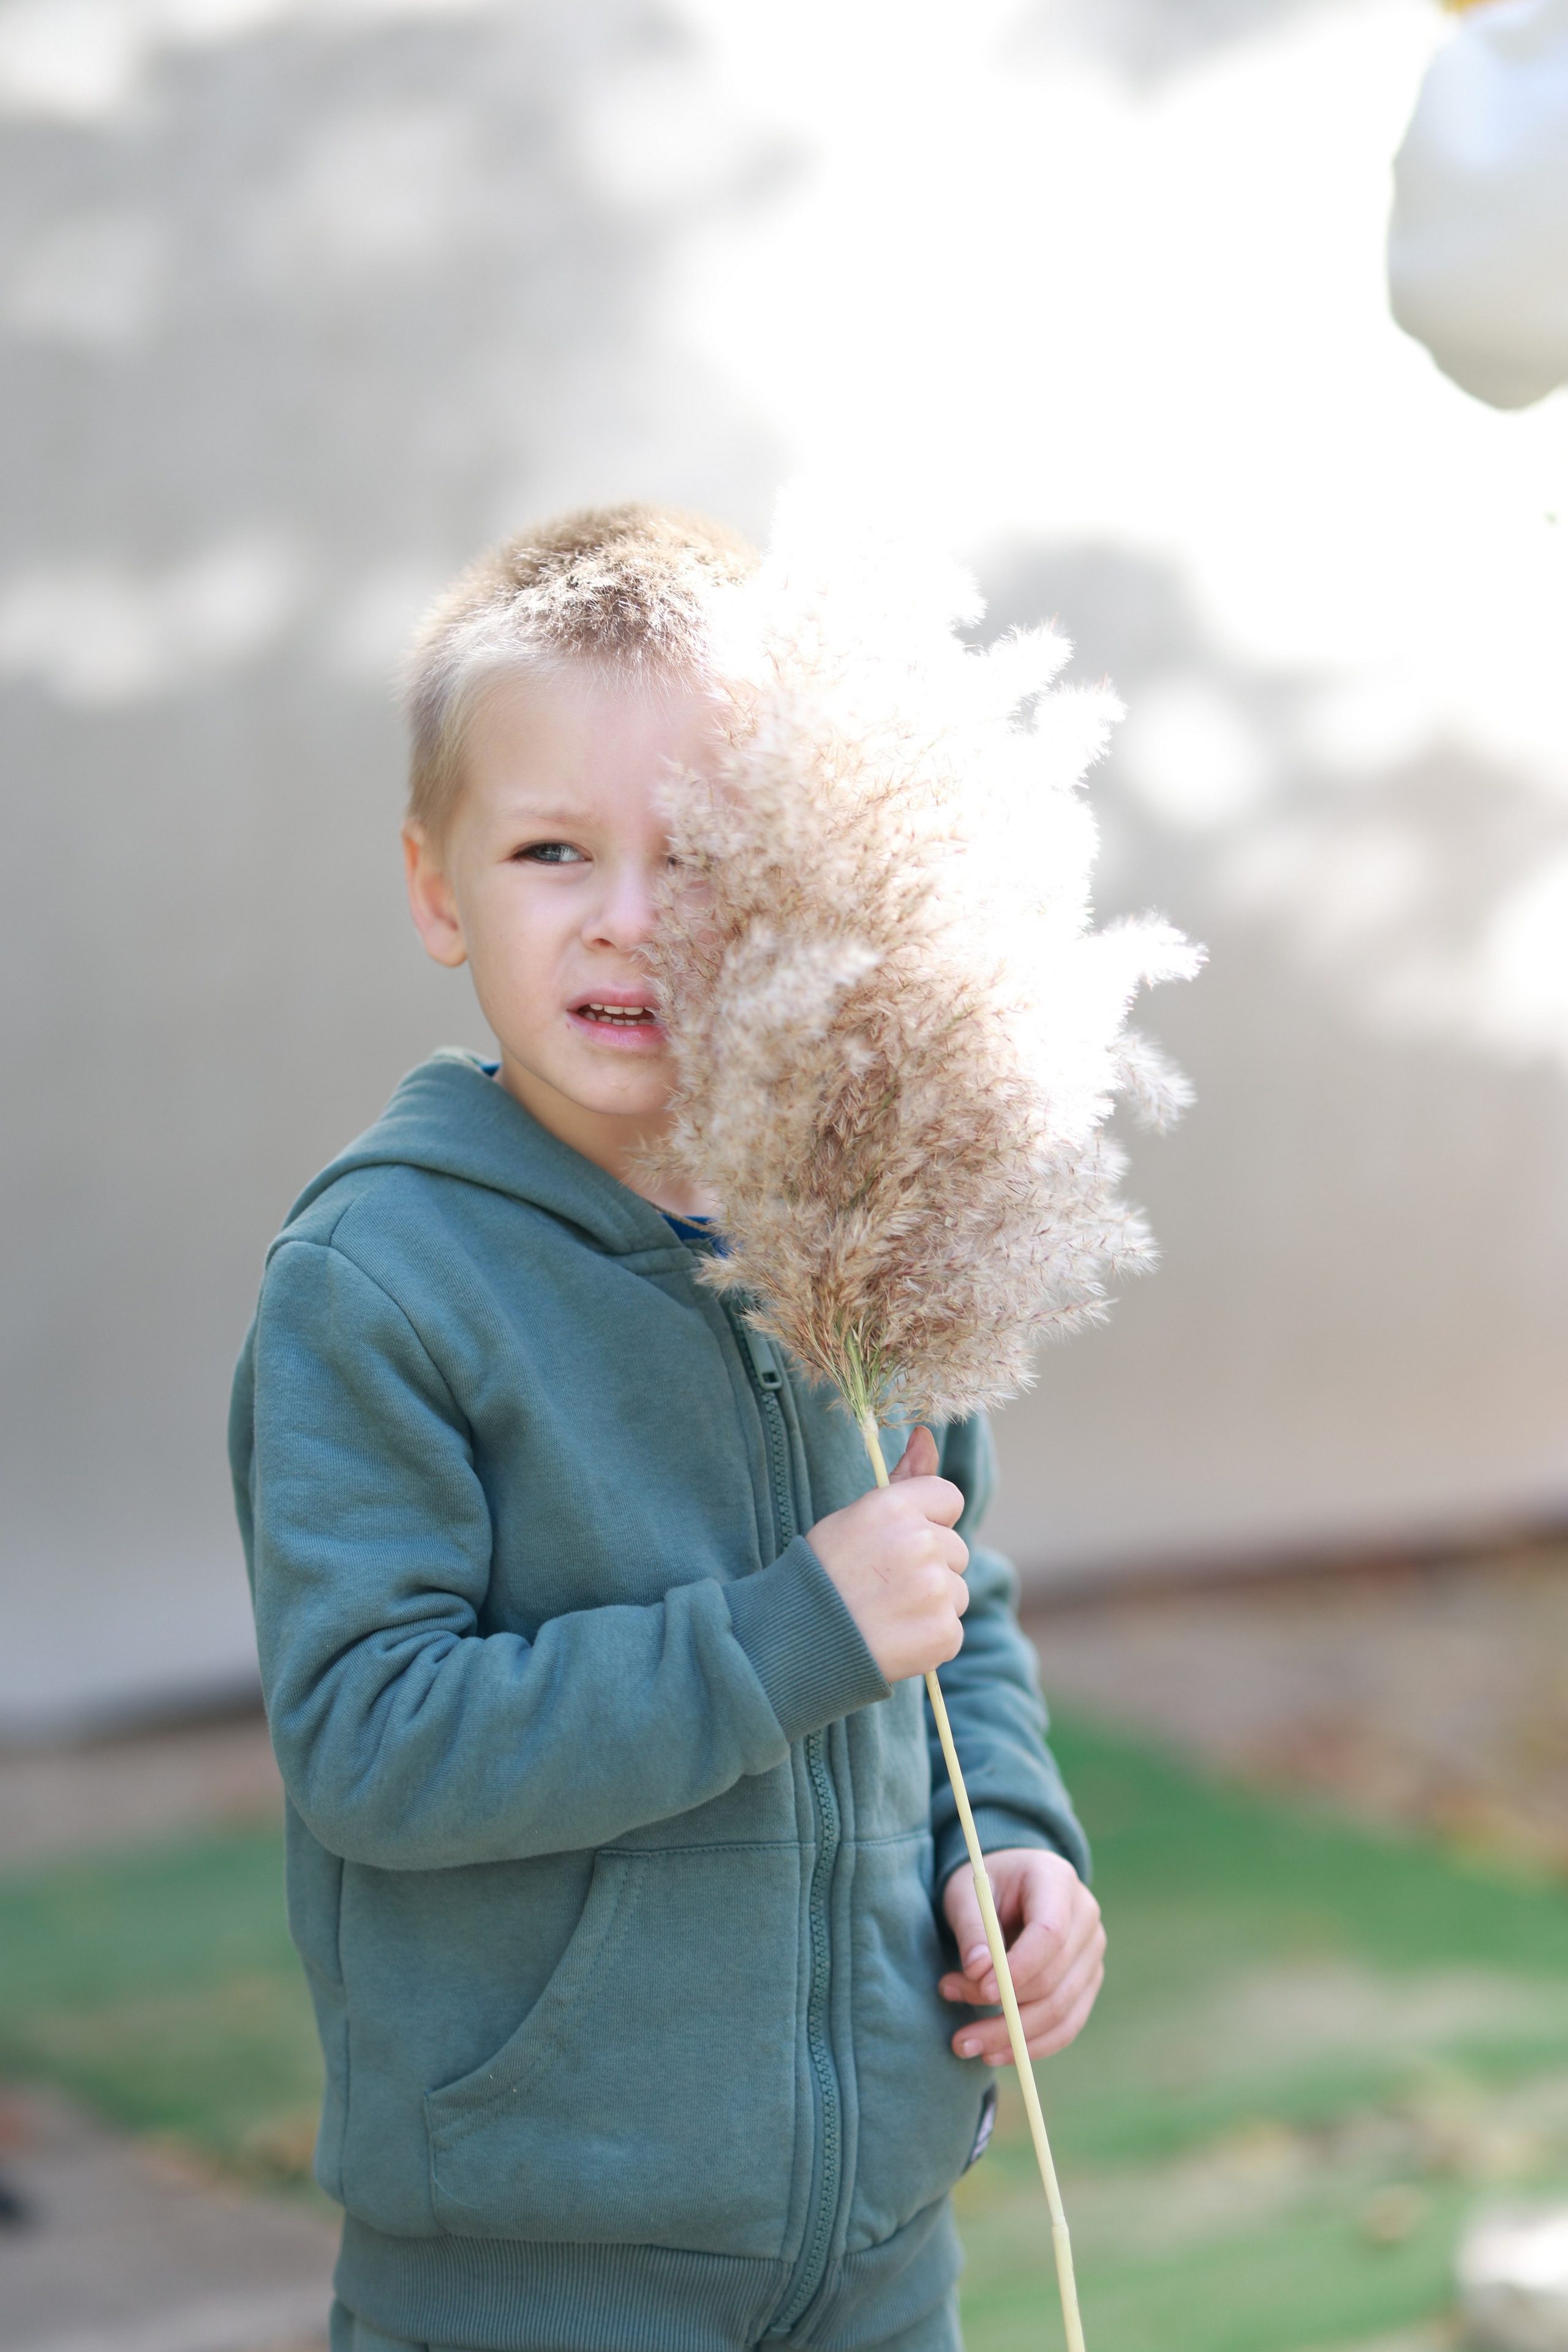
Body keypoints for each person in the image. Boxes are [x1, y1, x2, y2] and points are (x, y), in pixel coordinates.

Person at [230, 505, 1104, 2352]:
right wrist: (789, 1636)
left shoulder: (864, 1226)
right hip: (540, 2272)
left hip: (877, 2256)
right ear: (438, 887)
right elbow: (373, 1742)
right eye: (554, 850)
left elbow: (952, 1604)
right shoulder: (378, 1283)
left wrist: (1012, 1839)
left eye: (699, 854)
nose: (629, 915)